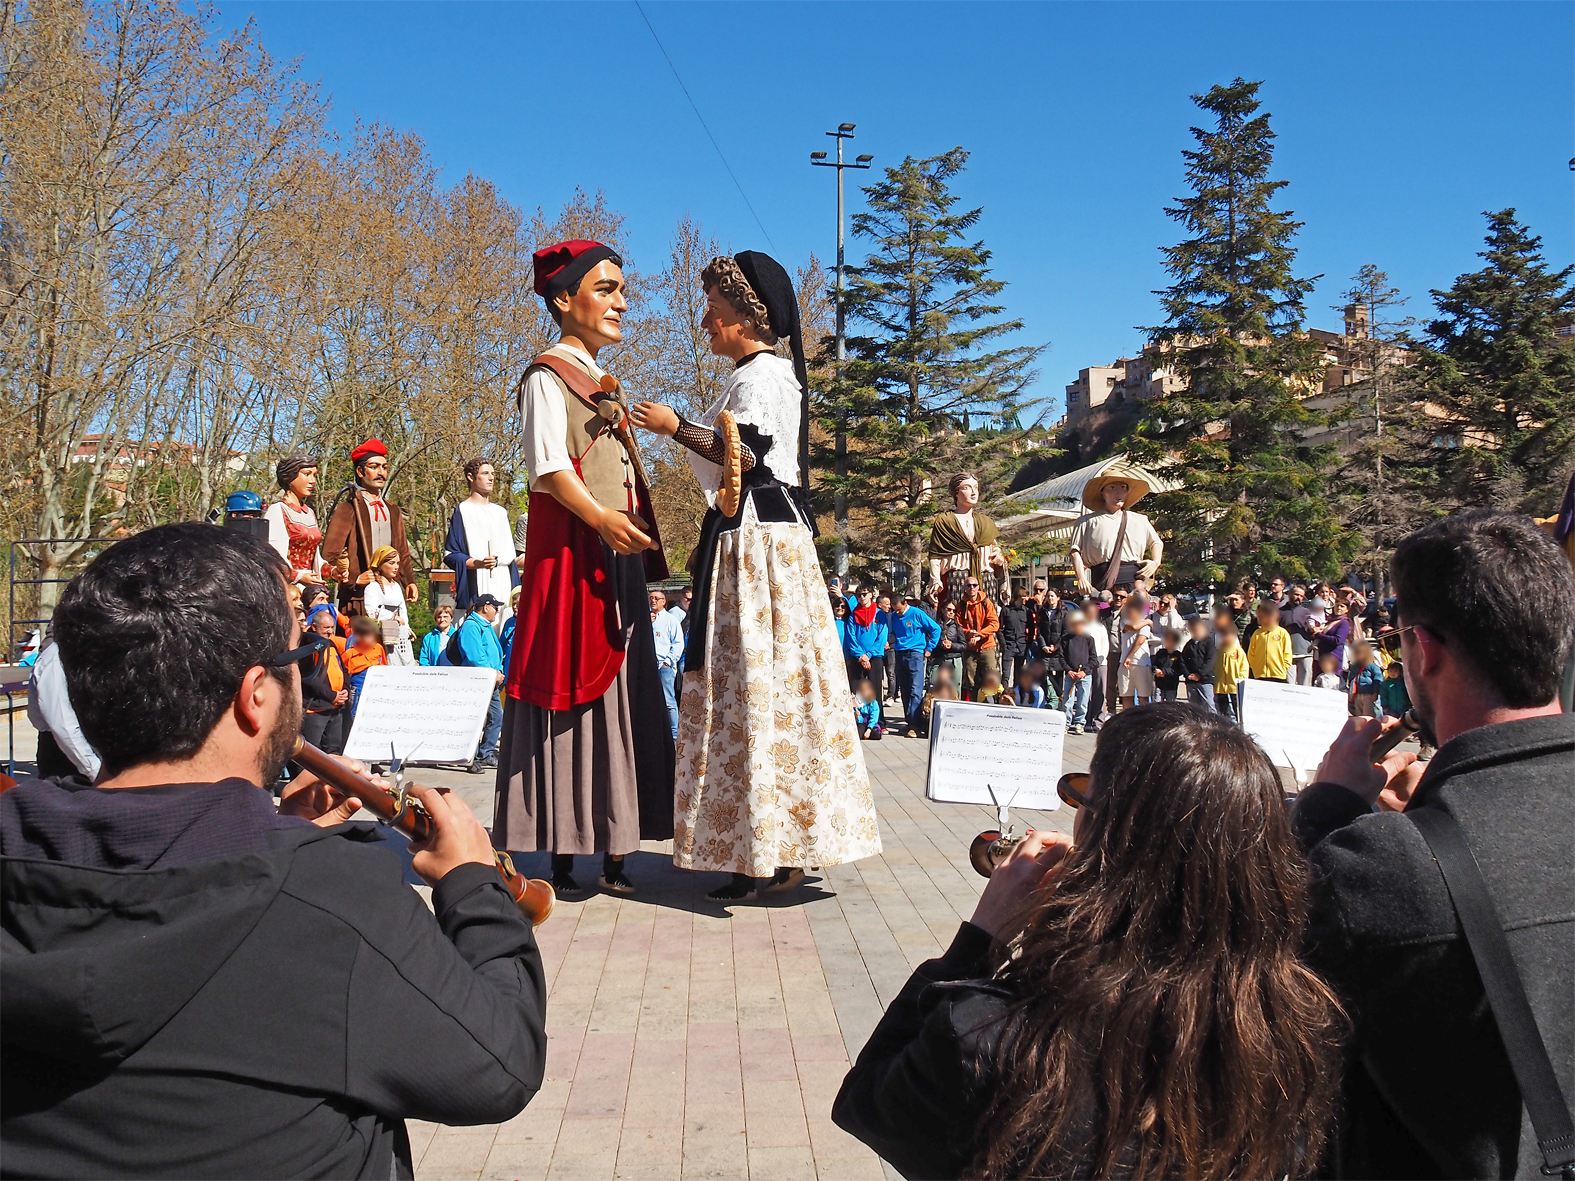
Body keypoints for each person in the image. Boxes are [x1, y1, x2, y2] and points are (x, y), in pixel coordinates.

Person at [0, 523, 546, 1179]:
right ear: (255, 694)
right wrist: (473, 885)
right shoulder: (337, 893)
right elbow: (498, 1063)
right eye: (298, 659)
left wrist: (264, 838)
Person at [833, 703, 1346, 1180]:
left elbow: (865, 1102)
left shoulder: (987, 1036)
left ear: (1102, 829)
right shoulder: (1299, 1028)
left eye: (1084, 798)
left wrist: (980, 937)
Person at [1294, 510, 1574, 1178]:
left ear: (1422, 650)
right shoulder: (1405, 851)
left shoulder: (1376, 866)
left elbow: (1249, 997)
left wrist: (1325, 812)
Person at [629, 251, 877, 900]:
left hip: (760, 545)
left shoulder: (761, 378)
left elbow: (747, 455)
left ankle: (764, 850)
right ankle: (769, 845)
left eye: (715, 307)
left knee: (755, 689)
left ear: (748, 315)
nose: (705, 319)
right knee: (758, 693)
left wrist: (673, 426)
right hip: (757, 539)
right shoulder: (755, 375)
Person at [495, 239, 675, 899]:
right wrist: (600, 519)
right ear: (563, 299)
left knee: (624, 694)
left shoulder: (605, 381)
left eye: (622, 289)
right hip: (573, 559)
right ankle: (569, 846)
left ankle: (616, 838)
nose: (622, 302)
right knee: (575, 685)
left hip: (614, 558)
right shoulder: (547, 375)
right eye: (606, 288)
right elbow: (548, 469)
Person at [323, 438, 419, 618]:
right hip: (358, 598)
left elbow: (402, 551)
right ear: (360, 471)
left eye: (384, 467)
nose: (380, 472)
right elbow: (330, 554)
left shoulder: (393, 510)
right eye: (374, 467)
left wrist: (409, 582)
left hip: (389, 595)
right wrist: (355, 578)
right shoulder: (350, 508)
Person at [1068, 464, 1164, 596]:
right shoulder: (1086, 522)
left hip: (1133, 579)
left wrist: (1156, 562)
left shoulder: (1140, 520)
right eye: (1112, 488)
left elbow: (1156, 542)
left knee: (1136, 615)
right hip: (1101, 582)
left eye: (1123, 488)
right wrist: (1081, 578)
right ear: (1102, 492)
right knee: (1101, 614)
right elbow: (1074, 551)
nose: (1118, 493)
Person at [444, 456, 520, 623]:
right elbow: (451, 554)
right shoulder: (463, 511)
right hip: (478, 579)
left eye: (492, 473)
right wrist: (478, 563)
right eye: (485, 473)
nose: (491, 477)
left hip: (504, 580)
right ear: (471, 477)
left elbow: (510, 559)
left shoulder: (500, 512)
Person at [926, 472, 1009, 609]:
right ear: (956, 493)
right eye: (967, 488)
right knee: (958, 619)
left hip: (985, 578)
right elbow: (935, 555)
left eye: (975, 488)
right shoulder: (945, 521)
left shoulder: (986, 522)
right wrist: (935, 580)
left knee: (987, 620)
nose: (973, 492)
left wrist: (999, 555)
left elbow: (994, 546)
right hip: (958, 577)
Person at [25, 637, 101, 781]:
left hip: (88, 753)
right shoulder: (57, 658)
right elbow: (63, 726)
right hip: (67, 759)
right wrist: (95, 770)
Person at [454, 595, 506, 775]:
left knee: (496, 716)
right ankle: (471, 756)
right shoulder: (471, 626)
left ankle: (485, 753)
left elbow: (492, 652)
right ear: (485, 607)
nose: (497, 611)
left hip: (488, 680)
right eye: (495, 608)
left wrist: (497, 671)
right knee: (475, 720)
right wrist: (494, 672)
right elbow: (475, 657)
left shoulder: (483, 625)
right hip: (477, 680)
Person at [262, 454, 329, 586]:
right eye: (307, 474)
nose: (312, 480)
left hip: (311, 587)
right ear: (290, 478)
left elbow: (315, 559)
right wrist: (298, 577)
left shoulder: (309, 512)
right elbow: (273, 556)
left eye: (314, 475)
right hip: (288, 587)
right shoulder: (277, 510)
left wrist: (333, 571)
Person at [300, 603, 352, 755]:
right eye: (326, 628)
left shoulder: (331, 643)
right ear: (314, 627)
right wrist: (332, 695)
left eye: (331, 628)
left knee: (334, 750)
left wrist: (344, 691)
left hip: (336, 707)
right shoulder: (307, 645)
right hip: (316, 708)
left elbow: (344, 670)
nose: (330, 632)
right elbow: (310, 677)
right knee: (312, 753)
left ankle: (330, 779)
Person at [887, 596, 941, 737]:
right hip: (900, 653)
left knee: (915, 690)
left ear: (905, 604)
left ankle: (916, 725)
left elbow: (935, 628)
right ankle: (909, 721)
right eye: (895, 610)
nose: (897, 613)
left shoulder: (916, 613)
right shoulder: (894, 616)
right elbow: (895, 633)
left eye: (899, 610)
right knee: (904, 689)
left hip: (915, 654)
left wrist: (930, 648)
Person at [363, 544, 416, 666]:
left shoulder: (396, 586)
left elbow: (402, 610)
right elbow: (372, 611)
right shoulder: (373, 587)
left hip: (399, 633)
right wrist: (392, 617)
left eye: (397, 563)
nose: (396, 567)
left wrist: (407, 627)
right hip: (381, 634)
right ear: (380, 564)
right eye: (391, 563)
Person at [843, 583, 890, 702]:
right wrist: (861, 655)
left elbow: (882, 636)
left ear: (870, 595)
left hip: (874, 657)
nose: (862, 597)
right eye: (859, 595)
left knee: (875, 690)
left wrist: (869, 655)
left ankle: (878, 719)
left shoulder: (879, 614)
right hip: (858, 657)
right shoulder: (853, 615)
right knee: (857, 689)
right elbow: (851, 637)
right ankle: (860, 718)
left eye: (864, 594)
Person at [956, 576, 1000, 699]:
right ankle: (975, 704)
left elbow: (994, 624)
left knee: (991, 677)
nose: (972, 588)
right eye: (969, 585)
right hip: (970, 649)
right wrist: (969, 633)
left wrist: (980, 635)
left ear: (978, 587)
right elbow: (958, 626)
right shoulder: (961, 605)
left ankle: (993, 705)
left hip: (986, 646)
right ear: (964, 588)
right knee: (971, 681)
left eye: (974, 585)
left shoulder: (986, 602)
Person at [649, 589, 685, 738]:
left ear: (664, 601)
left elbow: (678, 643)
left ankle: (674, 735)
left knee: (668, 701)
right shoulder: (645, 619)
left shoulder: (671, 620)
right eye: (651, 598)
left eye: (657, 598)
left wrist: (668, 662)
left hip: (664, 667)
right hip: (648, 667)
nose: (653, 600)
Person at [1059, 611, 1096, 734]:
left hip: (1084, 675)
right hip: (1071, 674)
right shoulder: (1065, 639)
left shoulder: (1089, 639)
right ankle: (1067, 722)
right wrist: (1068, 670)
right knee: (1068, 701)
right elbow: (1061, 657)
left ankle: (1080, 723)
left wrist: (1085, 671)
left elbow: (1093, 658)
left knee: (1082, 701)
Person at [1116, 598, 1155, 711]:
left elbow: (1140, 640)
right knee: (1126, 695)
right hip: (1124, 663)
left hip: (1141, 663)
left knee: (1143, 696)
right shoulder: (1124, 621)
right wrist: (1147, 622)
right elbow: (1133, 627)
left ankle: (1144, 722)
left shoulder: (1145, 625)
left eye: (1131, 611)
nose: (1129, 613)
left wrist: (1130, 656)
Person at [997, 583, 1034, 691]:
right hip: (1009, 645)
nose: (1026, 599)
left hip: (1021, 646)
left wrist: (1028, 643)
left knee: (1019, 673)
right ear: (1019, 597)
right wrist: (1003, 644)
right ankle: (1003, 695)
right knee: (1006, 674)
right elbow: (999, 628)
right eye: (1024, 596)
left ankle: (1016, 695)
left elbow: (1032, 629)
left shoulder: (1027, 612)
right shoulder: (1006, 610)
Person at [1247, 599, 1293, 682]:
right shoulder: (1257, 634)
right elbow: (1251, 653)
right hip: (1260, 675)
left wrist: (1284, 666)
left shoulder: (1282, 633)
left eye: (1262, 617)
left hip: (1278, 675)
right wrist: (1255, 667)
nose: (1260, 619)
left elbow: (1287, 653)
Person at [1084, 599, 1111, 731]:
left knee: (1100, 691)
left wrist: (1099, 659)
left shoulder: (1100, 627)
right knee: (1087, 693)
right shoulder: (1082, 627)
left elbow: (1105, 646)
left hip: (1100, 664)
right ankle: (1086, 719)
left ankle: (1099, 720)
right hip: (1086, 664)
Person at [1181, 615, 1217, 711]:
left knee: (1209, 705)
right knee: (1194, 707)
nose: (1195, 632)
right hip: (1191, 681)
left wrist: (1199, 674)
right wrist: (1187, 674)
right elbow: (1182, 661)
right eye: (1192, 630)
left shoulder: (1209, 643)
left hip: (1205, 680)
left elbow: (1210, 660)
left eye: (1197, 629)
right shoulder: (1189, 645)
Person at [1214, 620, 1248, 722]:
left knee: (1237, 707)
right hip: (1221, 686)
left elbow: (1244, 666)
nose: (1227, 638)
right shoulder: (1219, 650)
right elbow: (1215, 666)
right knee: (1223, 709)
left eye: (1230, 635)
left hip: (1234, 686)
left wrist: (1241, 678)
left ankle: (1240, 723)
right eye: (1224, 635)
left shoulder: (1238, 651)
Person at [931, 598, 965, 689]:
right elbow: (930, 642)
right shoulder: (935, 625)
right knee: (934, 684)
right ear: (942, 610)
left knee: (955, 686)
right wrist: (941, 645)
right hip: (939, 658)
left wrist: (952, 645)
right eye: (949, 609)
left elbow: (963, 645)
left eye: (954, 611)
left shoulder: (957, 627)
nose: (951, 612)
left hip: (954, 659)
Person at [1348, 641, 1384, 718]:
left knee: (1367, 714)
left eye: (1359, 653)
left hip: (1368, 694)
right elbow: (1351, 678)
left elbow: (1377, 680)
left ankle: (1368, 728)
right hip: (1357, 694)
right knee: (1358, 713)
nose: (1357, 655)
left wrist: (1375, 693)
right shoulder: (1355, 667)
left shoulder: (1373, 667)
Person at [1151, 628, 1185, 702]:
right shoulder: (1160, 653)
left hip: (1171, 686)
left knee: (1170, 704)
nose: (1168, 642)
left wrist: (1165, 672)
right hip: (1159, 684)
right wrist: (1156, 670)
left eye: (1171, 641)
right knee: (1157, 702)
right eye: (1167, 640)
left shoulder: (1178, 655)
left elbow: (1179, 670)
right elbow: (1154, 664)